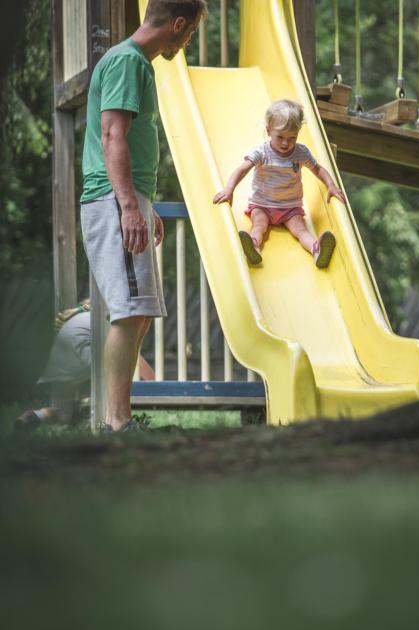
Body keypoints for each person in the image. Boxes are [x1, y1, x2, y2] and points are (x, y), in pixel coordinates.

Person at [80, 0, 207, 432]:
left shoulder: (133, 63)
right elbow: (113, 134)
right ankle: (117, 423)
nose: (186, 41)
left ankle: (120, 418)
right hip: (112, 201)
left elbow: (125, 141)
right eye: (189, 33)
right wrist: (129, 206)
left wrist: (142, 200)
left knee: (140, 314)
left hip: (126, 198)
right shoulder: (127, 62)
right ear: (177, 23)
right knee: (130, 312)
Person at [213, 99, 346, 268]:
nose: (286, 143)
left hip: (290, 207)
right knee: (259, 225)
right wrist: (229, 188)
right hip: (262, 204)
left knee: (301, 230)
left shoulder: (300, 152)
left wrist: (331, 185)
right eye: (280, 137)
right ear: (268, 130)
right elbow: (242, 169)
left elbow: (318, 169)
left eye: (292, 137)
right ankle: (253, 246)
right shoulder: (261, 152)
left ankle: (316, 249)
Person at [14, 303, 155, 433]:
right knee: (111, 386)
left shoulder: (80, 317)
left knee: (63, 413)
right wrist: (155, 383)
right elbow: (127, 356)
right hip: (83, 360)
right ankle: (101, 423)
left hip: (58, 367)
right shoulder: (108, 323)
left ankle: (33, 417)